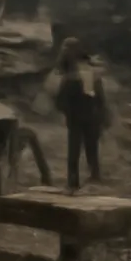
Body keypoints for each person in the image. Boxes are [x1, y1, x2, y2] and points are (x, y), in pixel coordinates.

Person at [55, 37, 107, 191]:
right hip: (83, 111)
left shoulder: (79, 68)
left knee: (80, 146)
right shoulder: (81, 68)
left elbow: (97, 94)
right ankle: (83, 177)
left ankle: (80, 178)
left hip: (82, 112)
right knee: (84, 146)